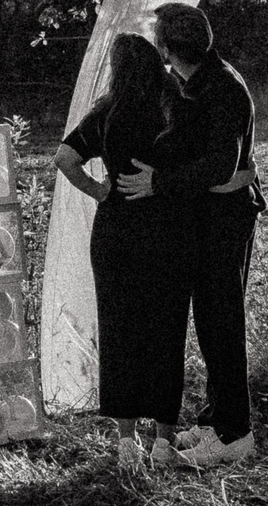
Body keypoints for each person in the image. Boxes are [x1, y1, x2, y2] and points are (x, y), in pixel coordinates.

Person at [115, 0, 264, 467]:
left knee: (221, 321)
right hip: (209, 215)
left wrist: (159, 182)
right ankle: (216, 420)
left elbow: (221, 164)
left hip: (225, 221)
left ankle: (236, 434)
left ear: (168, 46)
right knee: (210, 320)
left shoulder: (220, 89)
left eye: (159, 35)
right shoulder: (195, 82)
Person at [52, 33, 199, 472]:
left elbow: (64, 157)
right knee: (166, 331)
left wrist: (100, 190)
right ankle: (163, 440)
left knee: (120, 333)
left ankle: (125, 440)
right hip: (167, 229)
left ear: (118, 69)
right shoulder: (175, 109)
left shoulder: (107, 112)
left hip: (116, 232)